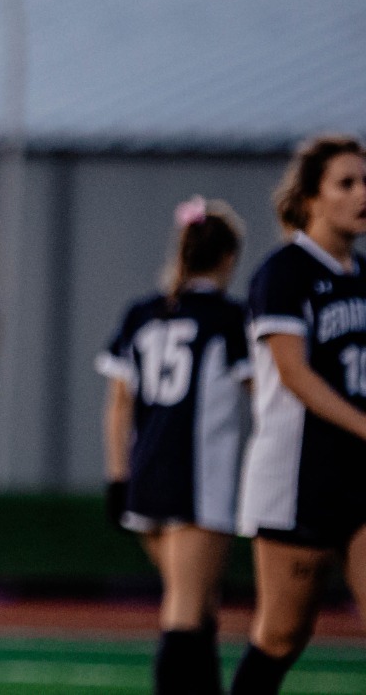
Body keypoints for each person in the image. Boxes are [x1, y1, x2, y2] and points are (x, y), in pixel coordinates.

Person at [229, 134, 366, 695]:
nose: (363, 193)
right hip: (298, 479)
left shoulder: (363, 275)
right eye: (347, 183)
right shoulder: (284, 272)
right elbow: (294, 374)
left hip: (360, 474)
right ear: (311, 197)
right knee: (283, 635)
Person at [97, 196, 248, 695]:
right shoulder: (228, 320)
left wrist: (118, 478)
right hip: (198, 479)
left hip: (146, 476)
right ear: (228, 258)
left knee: (198, 607)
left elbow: (118, 407)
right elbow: (266, 396)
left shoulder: (142, 314)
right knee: (184, 611)